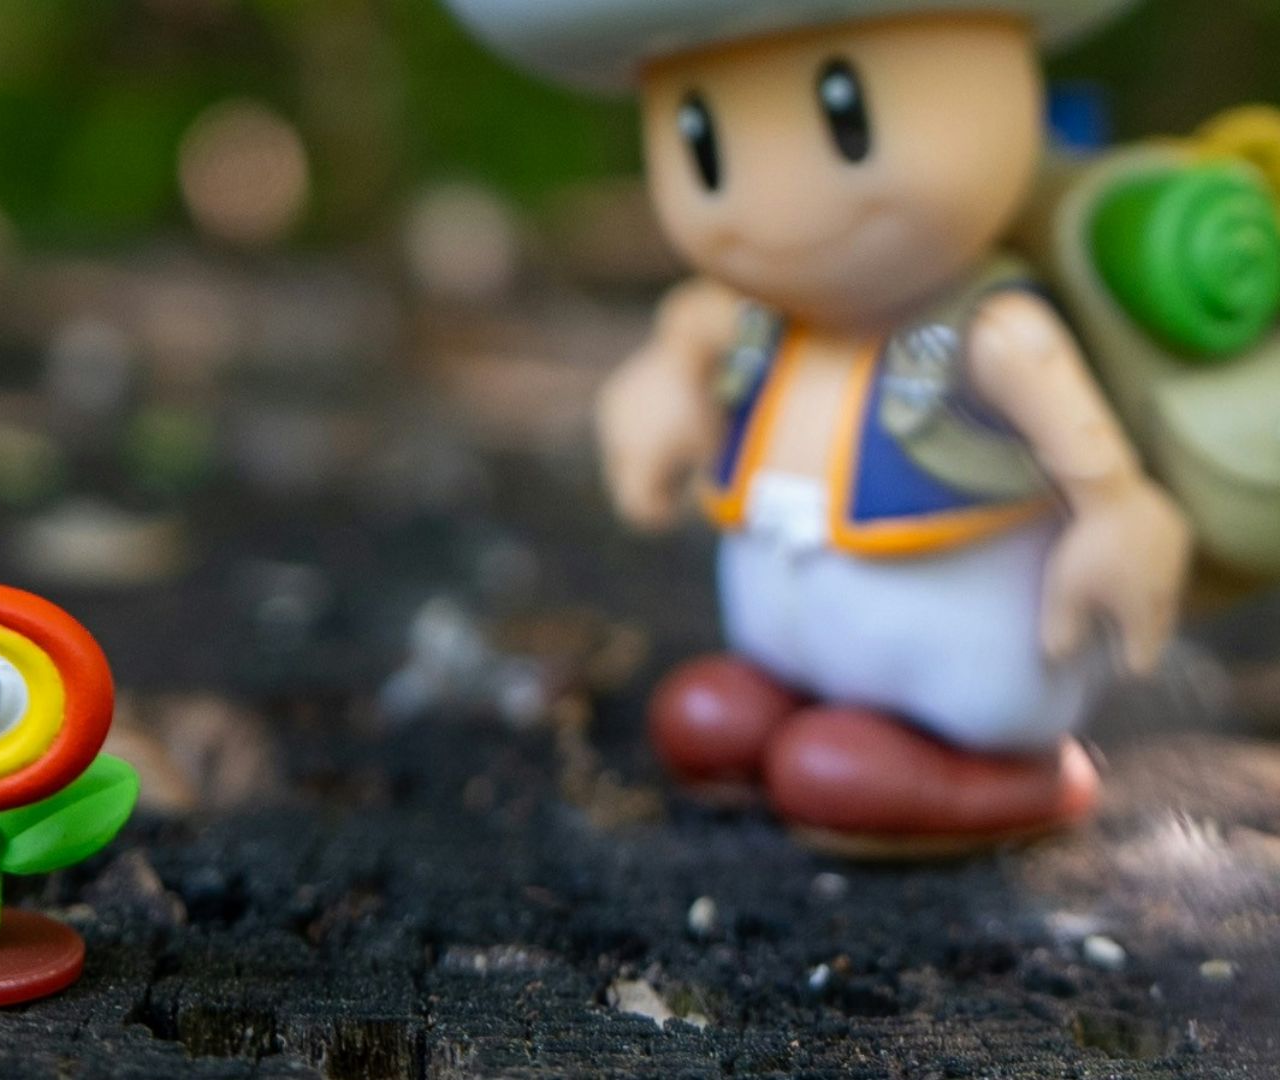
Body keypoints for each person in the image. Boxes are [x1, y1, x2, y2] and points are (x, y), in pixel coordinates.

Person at [443, 0, 1192, 856]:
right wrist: (664, 385)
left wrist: (1115, 510)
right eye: (704, 141)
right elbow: (686, 342)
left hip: (962, 626)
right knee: (719, 716)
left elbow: (1088, 447)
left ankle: (1005, 770)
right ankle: (797, 690)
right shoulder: (751, 313)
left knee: (923, 720)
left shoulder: (988, 329)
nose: (772, 202)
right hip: (788, 601)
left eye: (846, 116)